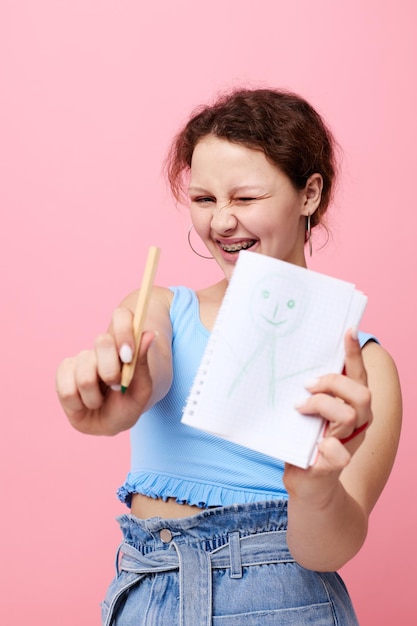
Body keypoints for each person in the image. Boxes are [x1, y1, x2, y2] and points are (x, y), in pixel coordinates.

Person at [56, 88, 402, 625]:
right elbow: (147, 363)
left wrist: (314, 489)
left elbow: (327, 552)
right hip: (149, 591)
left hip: (283, 597)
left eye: (244, 198)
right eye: (203, 199)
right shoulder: (162, 310)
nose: (220, 223)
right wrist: (121, 393)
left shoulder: (364, 367)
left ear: (309, 194)